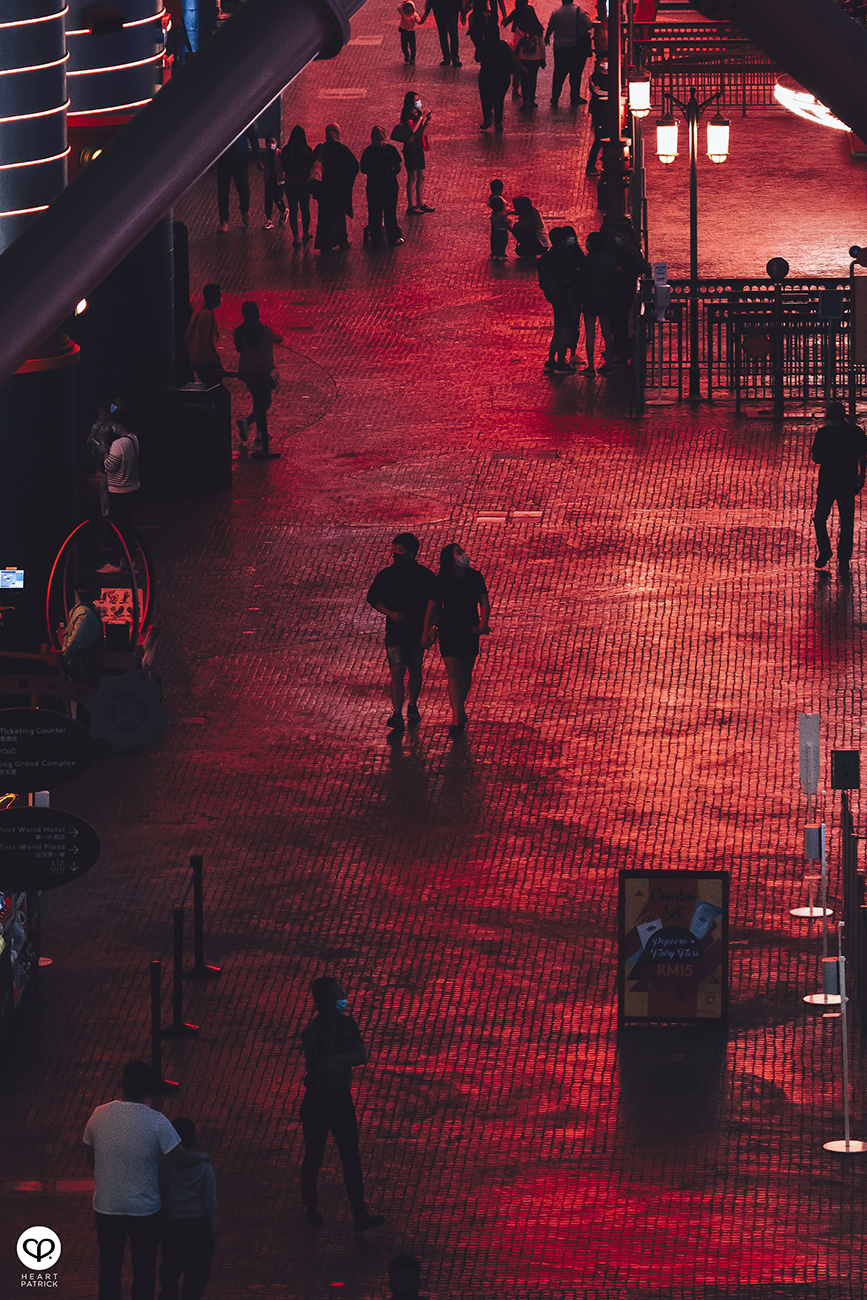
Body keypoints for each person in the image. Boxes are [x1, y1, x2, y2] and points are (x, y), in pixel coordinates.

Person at [83, 1059, 209, 1300]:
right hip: (145, 1210)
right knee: (144, 1270)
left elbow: (91, 1154)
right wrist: (204, 1156)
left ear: (123, 1084)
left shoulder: (99, 1114)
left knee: (109, 1267)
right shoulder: (157, 1121)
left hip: (107, 1205)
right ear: (148, 1089)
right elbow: (180, 1157)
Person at [299, 976, 385, 1232]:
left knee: (349, 1156)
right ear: (327, 999)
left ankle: (358, 1211)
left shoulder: (342, 1026)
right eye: (339, 993)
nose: (343, 995)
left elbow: (360, 1057)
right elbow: (332, 1065)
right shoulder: (316, 1033)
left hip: (335, 1098)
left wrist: (335, 1059)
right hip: (320, 1100)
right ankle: (312, 1206)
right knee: (316, 1155)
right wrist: (345, 1060)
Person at [366, 532, 438, 731]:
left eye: (401, 550)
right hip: (396, 632)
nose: (397, 554)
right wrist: (390, 613)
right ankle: (398, 712)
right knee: (397, 670)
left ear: (413, 553)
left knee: (414, 667)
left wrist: (431, 628)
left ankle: (412, 703)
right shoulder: (387, 575)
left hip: (416, 630)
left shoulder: (425, 576)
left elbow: (436, 604)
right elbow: (373, 597)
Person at [423, 543, 490, 735]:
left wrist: (483, 624)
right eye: (458, 553)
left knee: (466, 670)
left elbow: (483, 601)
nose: (463, 555)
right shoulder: (442, 580)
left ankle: (459, 707)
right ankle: (456, 714)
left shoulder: (475, 577)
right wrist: (428, 630)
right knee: (453, 671)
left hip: (470, 628)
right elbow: (432, 607)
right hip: (449, 629)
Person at [158, 1118, 217, 1300]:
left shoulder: (164, 1168)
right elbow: (210, 1201)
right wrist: (211, 1228)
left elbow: (162, 1194)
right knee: (196, 1275)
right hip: (198, 1226)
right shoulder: (204, 1167)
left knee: (170, 1269)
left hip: (172, 1226)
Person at [811, 401, 867, 576]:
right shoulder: (856, 433)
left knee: (820, 518)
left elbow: (816, 458)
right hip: (847, 481)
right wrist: (861, 475)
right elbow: (862, 455)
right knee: (847, 520)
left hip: (828, 482)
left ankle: (826, 551)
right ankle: (843, 559)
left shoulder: (824, 433)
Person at [233, 301, 282, 457]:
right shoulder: (265, 330)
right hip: (263, 371)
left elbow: (239, 348)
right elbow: (279, 339)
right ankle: (247, 421)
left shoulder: (239, 331)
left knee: (257, 399)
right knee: (265, 402)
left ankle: (261, 433)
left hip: (247, 372)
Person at [311, 123, 359, 254]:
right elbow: (354, 166)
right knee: (338, 217)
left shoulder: (321, 148)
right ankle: (341, 241)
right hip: (338, 190)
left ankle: (324, 244)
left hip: (323, 190)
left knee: (324, 218)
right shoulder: (343, 150)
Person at [538, 227, 580, 373]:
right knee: (565, 328)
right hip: (565, 298)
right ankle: (561, 362)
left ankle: (551, 360)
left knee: (558, 328)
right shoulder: (563, 257)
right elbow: (567, 282)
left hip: (553, 297)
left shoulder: (546, 257)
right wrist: (572, 303)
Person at [360, 127, 404, 247]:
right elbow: (399, 167)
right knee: (390, 212)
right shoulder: (391, 149)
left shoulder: (368, 151)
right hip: (390, 185)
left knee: (374, 211)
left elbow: (363, 169)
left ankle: (375, 238)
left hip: (374, 186)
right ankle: (393, 237)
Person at [545, 0, 592, 107]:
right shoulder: (580, 11)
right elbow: (589, 25)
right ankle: (575, 97)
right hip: (576, 48)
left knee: (559, 74)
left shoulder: (556, 13)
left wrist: (547, 37)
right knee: (576, 74)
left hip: (560, 48)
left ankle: (555, 97)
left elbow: (551, 27)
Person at [580, 229, 615, 374]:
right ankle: (609, 364)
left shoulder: (587, 262)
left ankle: (590, 366)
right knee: (607, 332)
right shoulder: (610, 260)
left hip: (590, 299)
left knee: (590, 333)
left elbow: (582, 281)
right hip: (606, 298)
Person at [215, 127, 261, 232]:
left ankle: (244, 209)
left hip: (239, 159)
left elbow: (252, 135)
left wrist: (258, 157)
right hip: (224, 160)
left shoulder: (241, 117)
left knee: (243, 189)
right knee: (223, 191)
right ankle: (224, 220)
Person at [104, 407, 141, 534]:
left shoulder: (118, 444)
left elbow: (110, 466)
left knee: (117, 526)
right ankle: (129, 550)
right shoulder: (134, 439)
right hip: (132, 487)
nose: (113, 427)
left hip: (118, 489)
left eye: (113, 424)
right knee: (128, 524)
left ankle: (118, 552)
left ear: (119, 424)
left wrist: (105, 455)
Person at [61, 581, 104, 689]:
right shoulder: (85, 613)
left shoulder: (82, 607)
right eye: (99, 589)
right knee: (85, 693)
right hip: (84, 661)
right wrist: (65, 658)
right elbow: (75, 640)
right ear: (93, 592)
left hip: (85, 658)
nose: (101, 591)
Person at [398, 92, 433, 215]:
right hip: (411, 149)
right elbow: (412, 129)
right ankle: (411, 205)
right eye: (416, 100)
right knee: (412, 176)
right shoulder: (407, 115)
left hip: (418, 147)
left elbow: (420, 128)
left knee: (421, 175)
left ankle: (420, 202)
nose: (418, 102)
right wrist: (421, 118)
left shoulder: (417, 113)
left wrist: (426, 120)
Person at [477, 28, 518, 131]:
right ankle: (498, 122)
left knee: (485, 98)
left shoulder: (483, 45)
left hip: (486, 75)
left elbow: (477, 58)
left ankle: (487, 117)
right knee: (499, 100)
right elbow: (512, 57)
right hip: (502, 76)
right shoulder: (503, 45)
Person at [183, 284, 224, 388]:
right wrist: (216, 359)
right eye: (219, 295)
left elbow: (187, 337)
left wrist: (192, 354)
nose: (221, 298)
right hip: (206, 359)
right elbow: (208, 341)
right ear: (214, 297)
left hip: (196, 359)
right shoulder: (208, 315)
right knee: (216, 388)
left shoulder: (197, 313)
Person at [282, 125, 314, 246]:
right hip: (303, 184)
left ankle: (296, 237)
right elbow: (310, 167)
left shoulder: (286, 150)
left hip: (290, 184)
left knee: (293, 211)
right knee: (305, 209)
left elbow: (284, 165)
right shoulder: (307, 150)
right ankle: (305, 233)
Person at [512, 2, 545, 111]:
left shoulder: (520, 27)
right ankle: (531, 99)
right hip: (535, 58)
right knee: (533, 78)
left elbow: (517, 42)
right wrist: (543, 58)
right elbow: (541, 44)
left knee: (524, 78)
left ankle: (525, 100)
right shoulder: (538, 28)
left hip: (523, 57)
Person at [585, 57, 609, 174]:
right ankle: (590, 166)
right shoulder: (594, 77)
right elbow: (597, 91)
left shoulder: (610, 76)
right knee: (599, 139)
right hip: (599, 110)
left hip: (606, 110)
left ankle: (605, 163)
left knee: (603, 138)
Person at [421, 0, 463, 66]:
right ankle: (454, 57)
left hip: (440, 9)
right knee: (453, 33)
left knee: (443, 34)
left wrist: (426, 12)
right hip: (451, 9)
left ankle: (447, 57)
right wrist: (462, 11)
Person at [261, 134, 287, 229]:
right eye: (269, 143)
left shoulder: (280, 154)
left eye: (272, 142)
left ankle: (283, 210)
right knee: (268, 199)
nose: (270, 145)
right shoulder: (266, 155)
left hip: (279, 180)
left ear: (276, 143)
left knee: (277, 198)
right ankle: (269, 219)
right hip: (269, 180)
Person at [489, 194, 510, 260]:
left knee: (496, 243)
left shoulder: (493, 214)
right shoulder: (502, 214)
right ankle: (501, 255)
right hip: (503, 231)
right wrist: (509, 221)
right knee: (503, 243)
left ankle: (495, 254)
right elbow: (505, 222)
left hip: (496, 230)